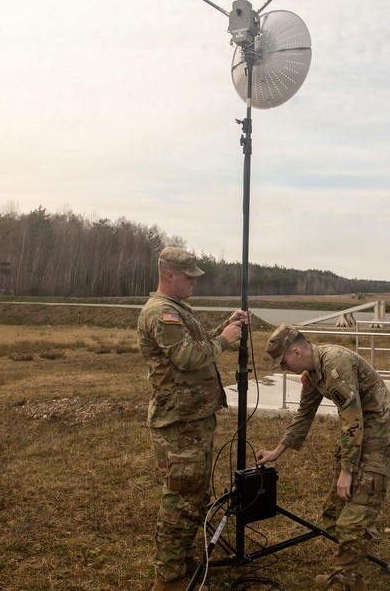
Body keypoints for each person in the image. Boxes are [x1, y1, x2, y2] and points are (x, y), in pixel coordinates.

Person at [256, 325, 390, 591]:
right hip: (358, 435)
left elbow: (352, 416)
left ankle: (342, 582)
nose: (282, 368)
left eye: (282, 362)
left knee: (352, 520)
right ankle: (351, 577)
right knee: (333, 514)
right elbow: (304, 414)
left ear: (295, 351)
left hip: (380, 435)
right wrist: (277, 451)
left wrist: (347, 471)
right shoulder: (313, 373)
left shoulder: (334, 363)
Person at [138, 246, 249, 591]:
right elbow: (187, 357)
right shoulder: (162, 313)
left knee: (195, 498)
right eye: (189, 278)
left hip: (194, 420)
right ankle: (168, 579)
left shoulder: (177, 309)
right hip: (179, 423)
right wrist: (224, 342)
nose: (194, 283)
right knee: (180, 503)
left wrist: (224, 328)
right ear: (169, 276)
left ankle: (187, 563)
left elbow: (195, 343)